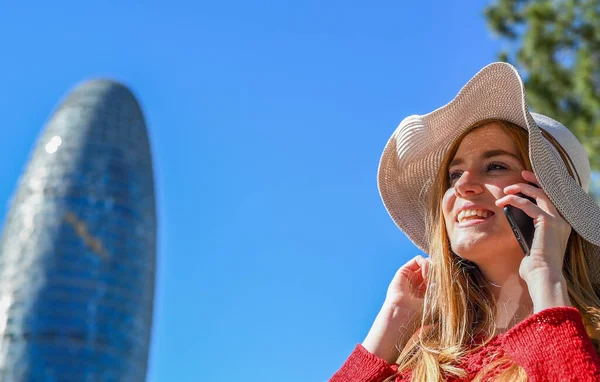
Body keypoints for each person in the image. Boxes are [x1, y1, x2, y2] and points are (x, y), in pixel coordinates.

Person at [330, 62, 600, 381]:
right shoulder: (423, 356)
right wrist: (392, 319)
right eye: (454, 174)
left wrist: (546, 278)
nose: (462, 185)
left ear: (552, 202)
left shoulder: (589, 337)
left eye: (496, 166)